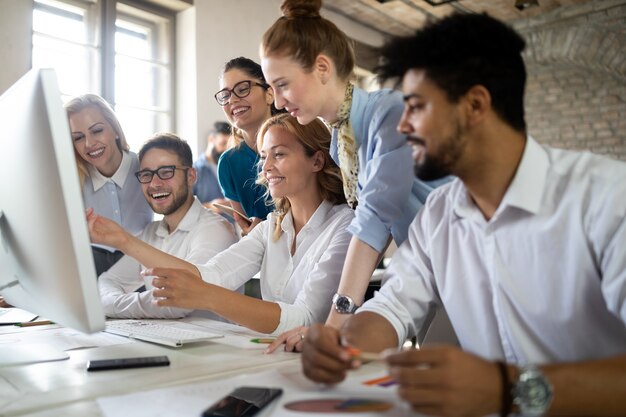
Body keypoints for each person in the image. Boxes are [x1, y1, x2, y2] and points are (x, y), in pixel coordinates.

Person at [301, 12, 626, 417]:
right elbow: (393, 306)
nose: (402, 126)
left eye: (415, 107)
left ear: (475, 105)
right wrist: (342, 345)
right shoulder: (439, 214)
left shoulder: (606, 200)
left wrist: (505, 389)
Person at [260, 0, 449, 338]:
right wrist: (336, 320)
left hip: (465, 264)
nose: (276, 100)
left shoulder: (390, 113)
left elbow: (375, 218)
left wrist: (335, 322)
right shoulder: (340, 142)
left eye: (283, 84)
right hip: (426, 272)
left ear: (322, 67)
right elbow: (379, 229)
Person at [139, 114, 355, 336]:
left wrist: (207, 296)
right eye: (263, 157)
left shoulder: (345, 225)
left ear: (317, 161)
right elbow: (212, 274)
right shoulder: (270, 227)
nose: (266, 167)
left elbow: (307, 318)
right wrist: (121, 239)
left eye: (278, 154)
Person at [88, 133, 237, 319]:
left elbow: (179, 302)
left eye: (166, 172)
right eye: (146, 175)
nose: (155, 183)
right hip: (166, 343)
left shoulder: (216, 230)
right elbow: (106, 282)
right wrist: (115, 304)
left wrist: (112, 305)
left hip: (216, 346)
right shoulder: (151, 233)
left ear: (190, 176)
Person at [65, 94, 153, 276]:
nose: (89, 143)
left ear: (114, 129)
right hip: (91, 267)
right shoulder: (71, 180)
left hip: (140, 264)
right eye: (78, 138)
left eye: (97, 131)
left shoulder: (145, 168)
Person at [214, 57, 280, 233]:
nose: (232, 100)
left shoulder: (299, 141)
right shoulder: (228, 163)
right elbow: (245, 226)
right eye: (225, 95)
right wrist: (251, 232)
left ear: (269, 94)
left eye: (243, 89)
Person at [193, 121, 230, 207]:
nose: (226, 150)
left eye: (228, 146)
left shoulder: (229, 168)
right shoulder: (195, 170)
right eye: (223, 143)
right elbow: (185, 208)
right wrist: (210, 206)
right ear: (211, 139)